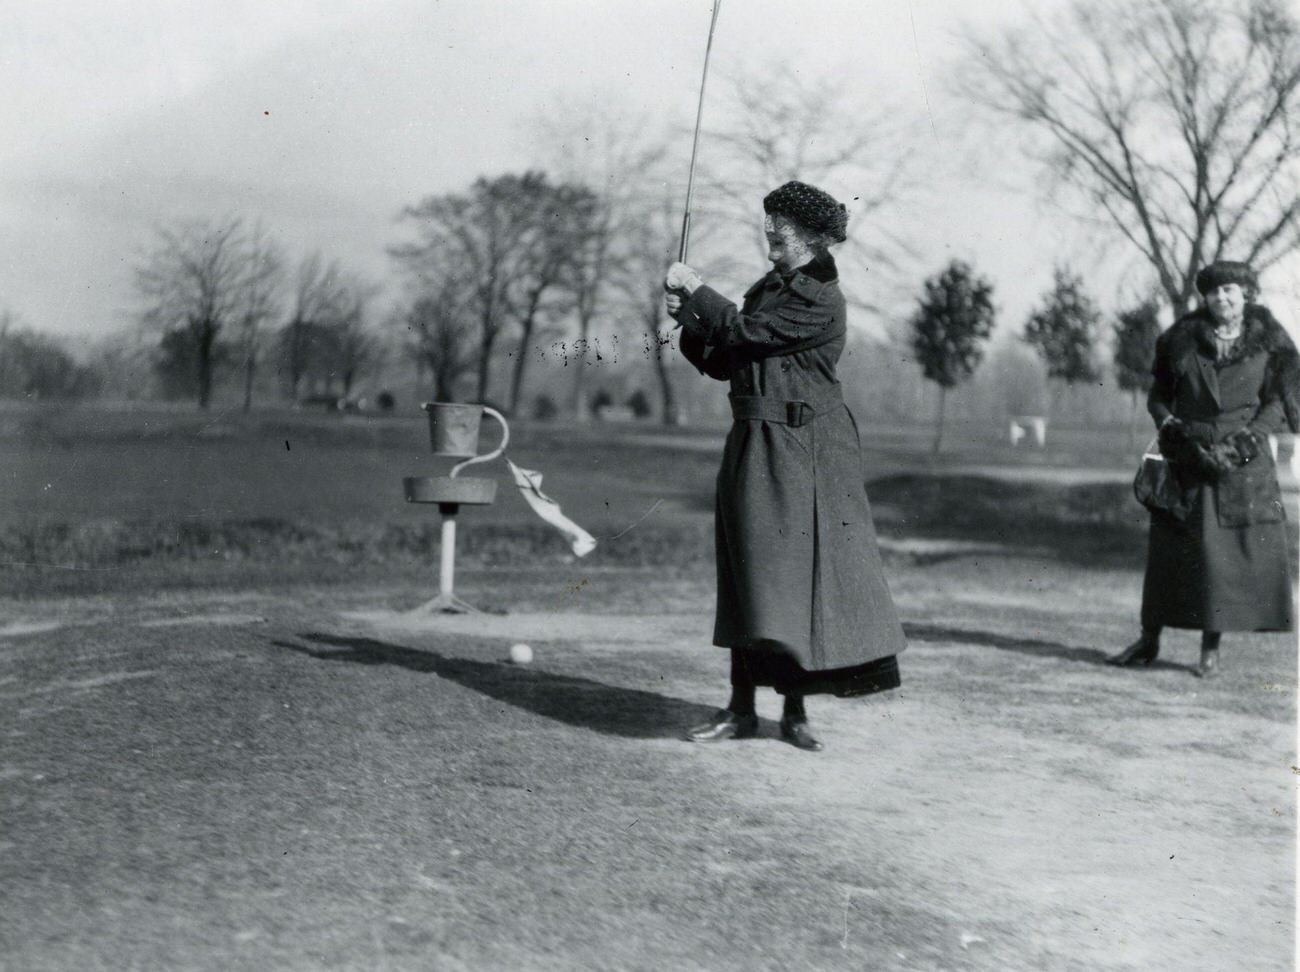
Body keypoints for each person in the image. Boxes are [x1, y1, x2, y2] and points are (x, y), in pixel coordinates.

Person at [663, 180, 906, 751]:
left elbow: (748, 332)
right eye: (768, 223)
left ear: (814, 238)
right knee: (751, 578)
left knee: (795, 584)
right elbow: (729, 359)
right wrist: (689, 323)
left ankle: (794, 712)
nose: (769, 233)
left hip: (807, 451)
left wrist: (699, 294)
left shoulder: (820, 297)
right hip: (755, 442)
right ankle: (741, 709)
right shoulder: (766, 289)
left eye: (780, 227)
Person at [1111, 260, 1299, 677]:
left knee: (1223, 557)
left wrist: (1246, 442)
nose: (1222, 298)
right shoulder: (1180, 340)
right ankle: (1148, 640)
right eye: (1214, 291)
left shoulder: (1270, 343)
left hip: (1243, 457)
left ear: (1246, 294)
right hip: (1187, 456)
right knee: (1170, 552)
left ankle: (1210, 650)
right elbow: (1158, 395)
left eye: (1230, 290)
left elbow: (1276, 404)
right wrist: (1171, 427)